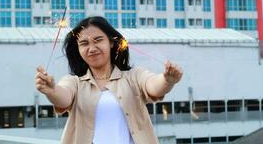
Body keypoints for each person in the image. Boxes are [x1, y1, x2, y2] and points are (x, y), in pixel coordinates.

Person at [35, 16, 182, 144]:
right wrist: (52, 90)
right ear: (78, 49)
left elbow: (153, 85)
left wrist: (167, 80)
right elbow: (63, 97)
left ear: (111, 42)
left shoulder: (133, 77)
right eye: (84, 43)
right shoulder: (75, 83)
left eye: (98, 40)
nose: (92, 48)